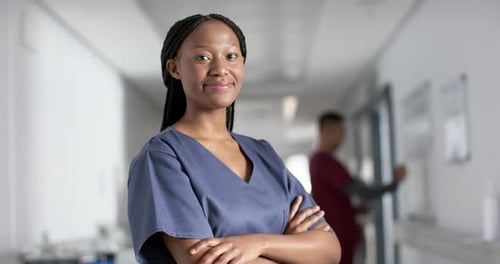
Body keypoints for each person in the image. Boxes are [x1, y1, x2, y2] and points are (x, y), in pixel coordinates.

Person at [127, 14, 341, 264]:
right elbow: (204, 261)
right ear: (175, 68)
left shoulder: (263, 153)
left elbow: (329, 250)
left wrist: (259, 243)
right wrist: (293, 249)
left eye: (231, 56)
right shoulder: (162, 157)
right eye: (203, 57)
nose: (220, 69)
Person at [309, 111, 406, 264]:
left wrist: (352, 210)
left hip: (336, 236)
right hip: (338, 239)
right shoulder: (325, 163)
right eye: (341, 131)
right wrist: (394, 183)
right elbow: (363, 193)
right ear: (329, 130)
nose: (343, 137)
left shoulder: (317, 161)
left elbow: (330, 199)